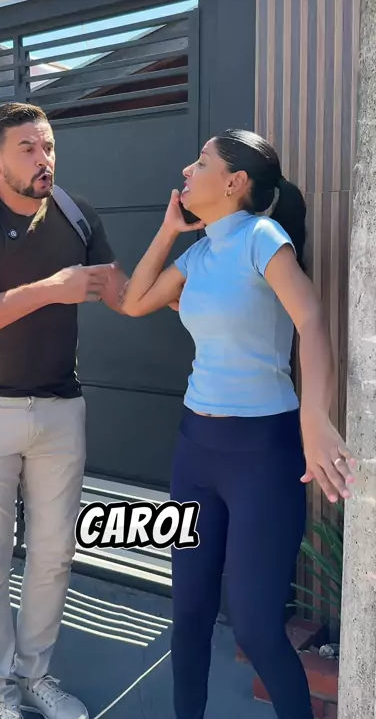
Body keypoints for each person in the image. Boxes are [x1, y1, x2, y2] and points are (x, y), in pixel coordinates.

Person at [120, 129, 356, 719]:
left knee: (255, 627)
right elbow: (134, 301)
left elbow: (312, 321)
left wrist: (315, 419)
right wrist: (169, 230)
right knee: (189, 615)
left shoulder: (261, 238)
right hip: (194, 452)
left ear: (234, 182)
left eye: (201, 162)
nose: (187, 170)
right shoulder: (198, 255)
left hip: (262, 454)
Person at [0, 102, 129, 719]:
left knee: (54, 555)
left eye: (49, 146)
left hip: (59, 410)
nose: (45, 159)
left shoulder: (76, 213)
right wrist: (48, 291)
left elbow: (123, 293)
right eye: (28, 149)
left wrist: (183, 241)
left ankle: (35, 675)